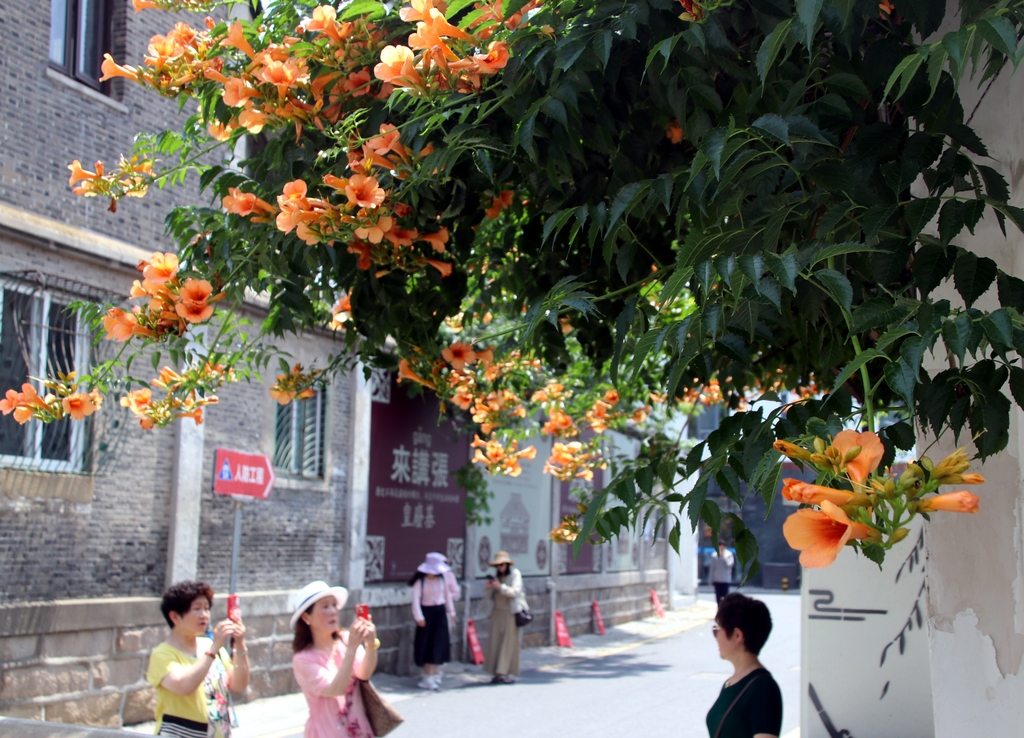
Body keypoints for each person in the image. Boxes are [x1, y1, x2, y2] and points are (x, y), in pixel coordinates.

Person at [146, 580, 249, 738]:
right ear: (175, 616)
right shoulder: (162, 654)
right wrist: (214, 648)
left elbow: (238, 684)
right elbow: (184, 687)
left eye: (206, 609)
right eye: (197, 609)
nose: (204, 615)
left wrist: (240, 644)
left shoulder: (208, 644)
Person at [290, 581, 379, 738]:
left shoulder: (345, 639)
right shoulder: (303, 659)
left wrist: (371, 643)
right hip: (327, 732)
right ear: (306, 617)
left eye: (334, 605)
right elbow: (335, 689)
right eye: (325, 606)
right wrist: (351, 649)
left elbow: (364, 674)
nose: (333, 611)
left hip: (358, 729)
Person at [706, 593, 783, 738]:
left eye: (718, 629)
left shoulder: (764, 689)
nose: (716, 637)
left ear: (737, 636)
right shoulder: (730, 684)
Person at [411, 553, 456, 690]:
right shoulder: (420, 582)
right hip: (427, 615)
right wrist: (419, 617)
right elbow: (415, 601)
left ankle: (432, 676)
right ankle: (426, 676)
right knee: (425, 644)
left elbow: (447, 597)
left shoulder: (442, 580)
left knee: (438, 644)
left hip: (440, 613)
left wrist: (451, 612)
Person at [483, 550, 526, 684]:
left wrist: (500, 587)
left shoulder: (514, 574)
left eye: (502, 565)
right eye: (498, 565)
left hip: (510, 613)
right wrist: (489, 587)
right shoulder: (497, 577)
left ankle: (504, 672)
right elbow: (487, 597)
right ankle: (495, 671)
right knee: (495, 642)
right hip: (497, 612)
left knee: (508, 643)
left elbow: (515, 592)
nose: (500, 568)